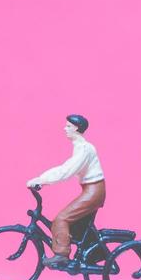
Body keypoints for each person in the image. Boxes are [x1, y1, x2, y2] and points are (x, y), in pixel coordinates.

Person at [26, 114, 106, 269]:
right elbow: (67, 169)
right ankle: (89, 253)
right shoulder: (80, 147)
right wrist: (44, 181)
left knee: (61, 219)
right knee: (76, 227)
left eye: (68, 126)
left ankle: (61, 255)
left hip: (93, 191)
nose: (65, 128)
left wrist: (41, 179)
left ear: (76, 128)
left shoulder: (84, 148)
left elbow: (67, 170)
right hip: (91, 189)